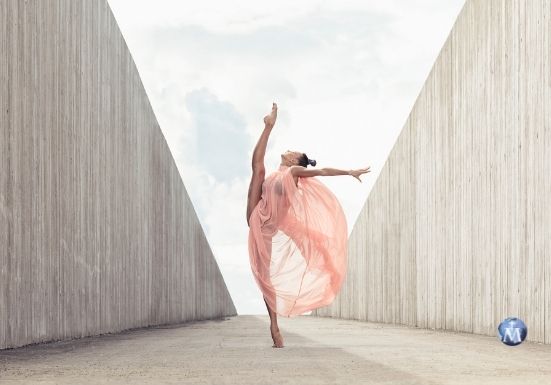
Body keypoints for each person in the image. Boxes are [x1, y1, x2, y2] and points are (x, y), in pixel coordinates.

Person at [246, 103, 370, 348]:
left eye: (293, 150)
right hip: (258, 214)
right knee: (258, 170)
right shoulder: (276, 176)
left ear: (295, 159)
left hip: (266, 226)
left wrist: (349, 171)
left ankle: (274, 325)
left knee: (265, 275)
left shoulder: (293, 171)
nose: (288, 150)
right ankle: (268, 127)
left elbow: (322, 171)